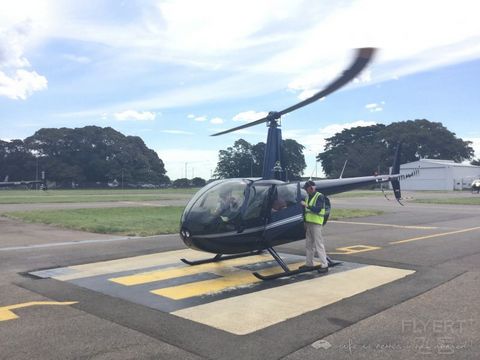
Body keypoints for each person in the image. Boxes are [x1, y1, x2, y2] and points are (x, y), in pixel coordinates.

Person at [300, 180, 328, 272]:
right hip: (309, 223)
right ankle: (309, 264)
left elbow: (318, 209)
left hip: (316, 224)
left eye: (307, 189)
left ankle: (324, 265)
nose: (306, 191)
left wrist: (306, 206)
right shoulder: (308, 197)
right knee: (309, 245)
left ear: (311, 188)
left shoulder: (319, 196)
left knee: (319, 244)